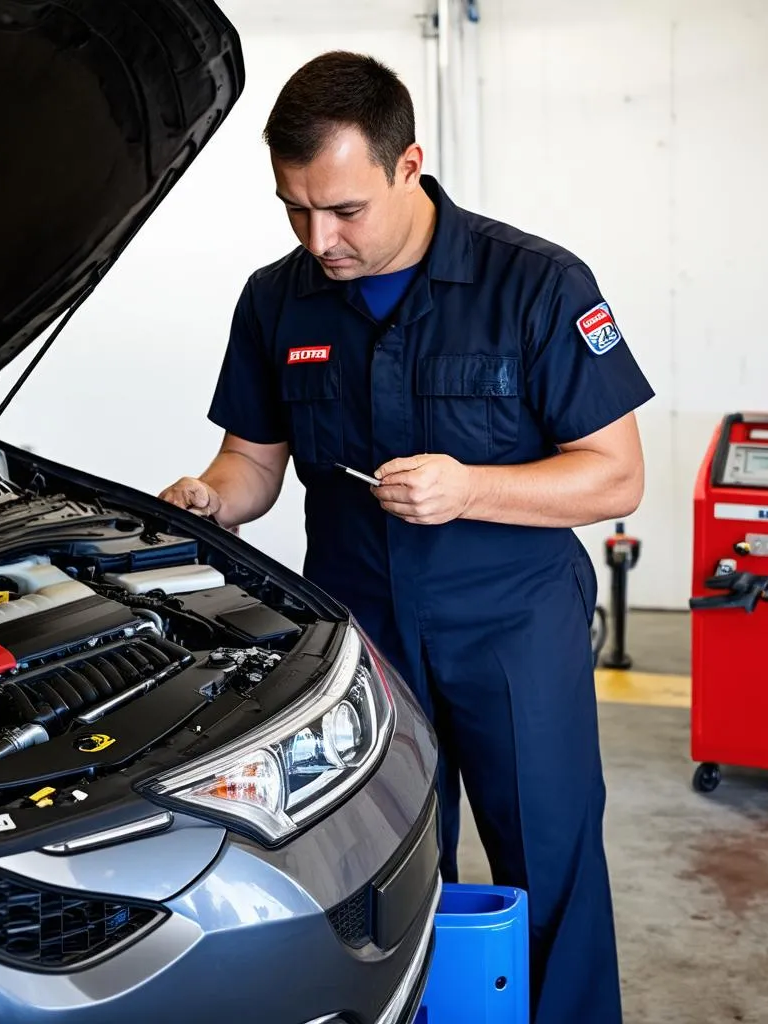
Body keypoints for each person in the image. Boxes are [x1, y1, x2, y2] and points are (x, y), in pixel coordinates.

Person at [160, 50, 653, 1024]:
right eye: (294, 209)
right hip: (359, 628)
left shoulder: (536, 285)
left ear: (408, 163)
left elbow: (615, 472)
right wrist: (207, 497)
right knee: (383, 870)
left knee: (545, 860)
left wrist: (471, 486)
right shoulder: (277, 299)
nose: (319, 237)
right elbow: (251, 465)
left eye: (343, 210)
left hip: (510, 624)